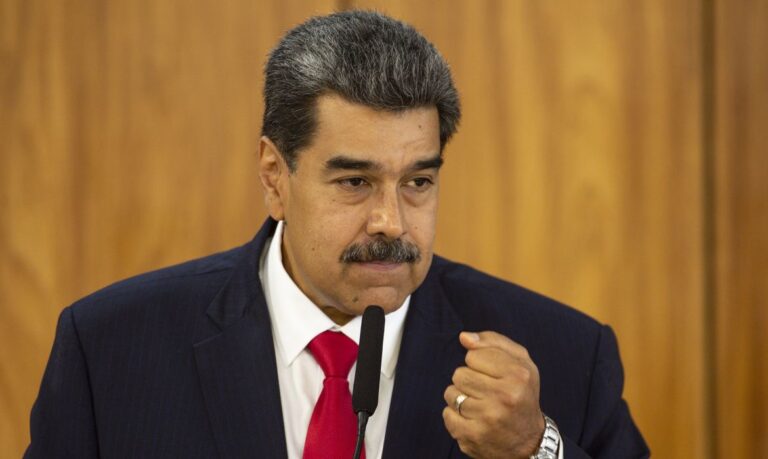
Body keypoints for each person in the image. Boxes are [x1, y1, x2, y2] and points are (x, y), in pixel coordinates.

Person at [26, 10, 648, 459]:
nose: (392, 222)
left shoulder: (563, 356)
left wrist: (536, 449)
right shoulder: (109, 350)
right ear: (275, 177)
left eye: (418, 183)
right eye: (355, 182)